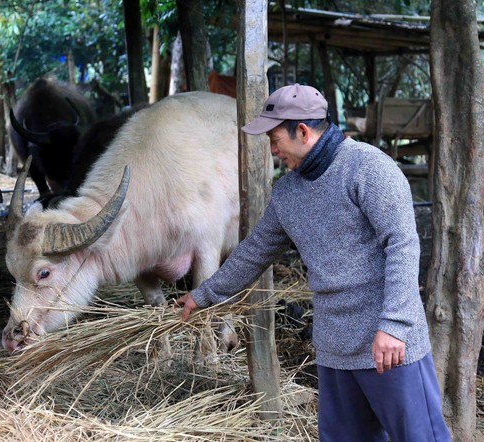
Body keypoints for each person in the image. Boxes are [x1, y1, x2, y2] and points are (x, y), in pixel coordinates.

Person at [175, 84, 451, 441]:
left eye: (275, 140)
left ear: (303, 132)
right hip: (336, 347)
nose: (273, 151)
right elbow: (255, 250)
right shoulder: (288, 193)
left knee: (420, 438)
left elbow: (402, 244)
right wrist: (204, 294)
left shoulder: (368, 168)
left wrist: (395, 325)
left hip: (389, 344)